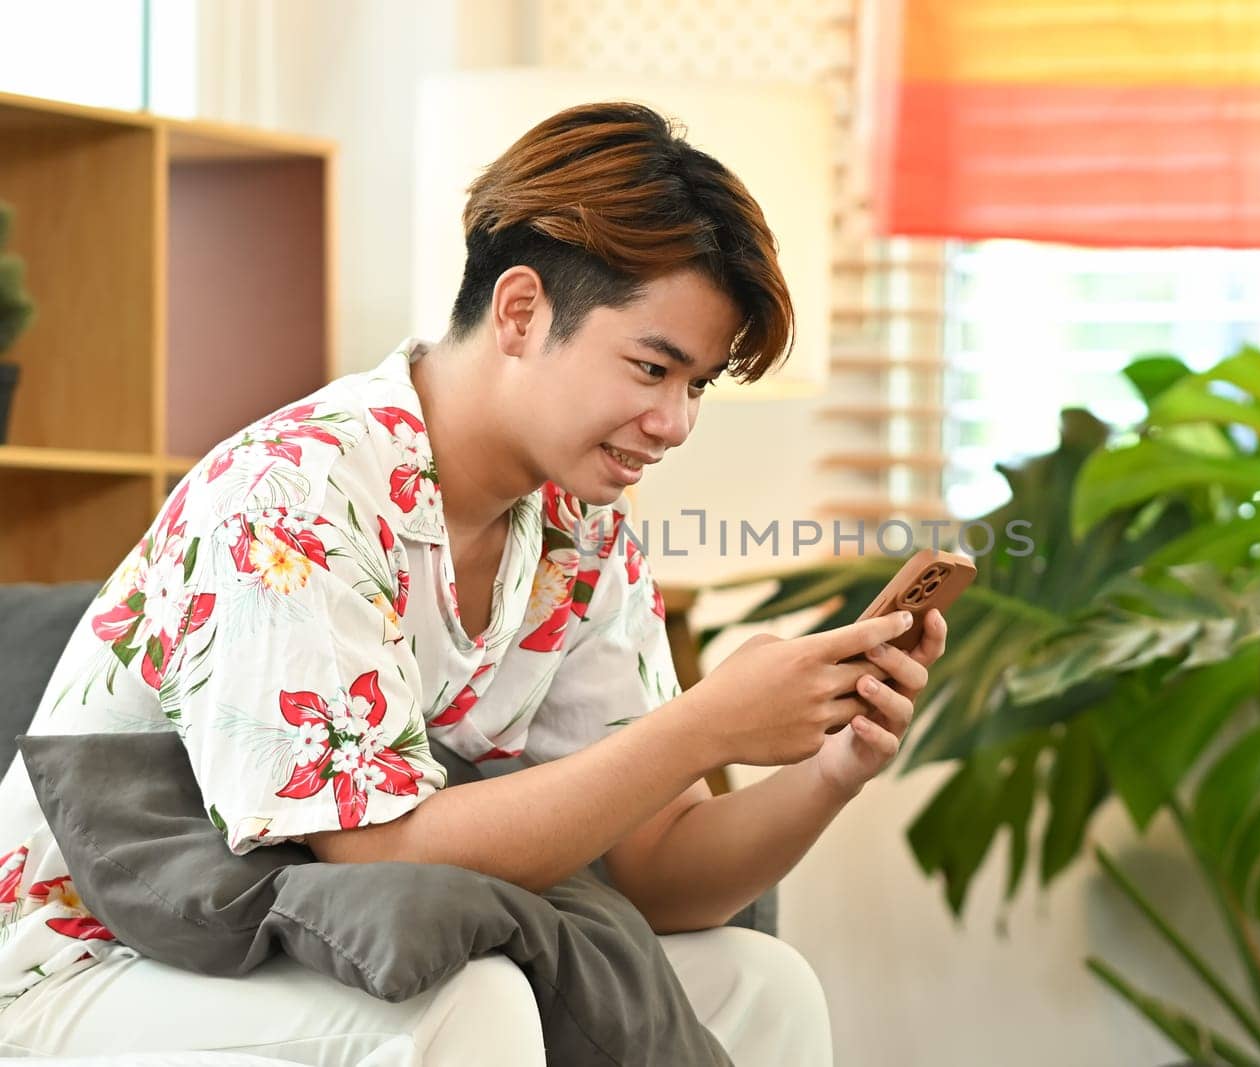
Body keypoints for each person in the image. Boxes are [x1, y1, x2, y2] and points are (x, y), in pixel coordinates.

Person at [0, 102, 946, 1065]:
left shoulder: (583, 533)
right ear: (522, 311)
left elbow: (659, 867)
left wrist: (834, 768)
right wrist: (706, 724)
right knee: (471, 999)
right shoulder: (293, 491)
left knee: (761, 985)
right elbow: (377, 854)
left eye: (695, 385)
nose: (675, 423)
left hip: (321, 942)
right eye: (654, 368)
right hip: (88, 963)